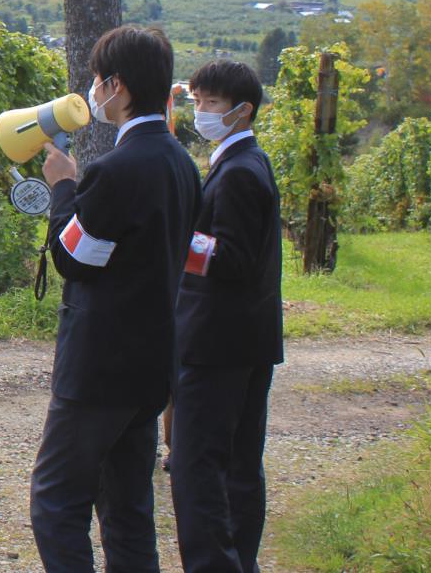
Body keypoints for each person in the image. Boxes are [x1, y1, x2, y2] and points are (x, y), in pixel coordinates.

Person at [29, 26, 202, 572]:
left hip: (98, 369)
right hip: (150, 365)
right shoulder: (182, 163)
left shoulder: (116, 170)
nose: (93, 90)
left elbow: (73, 258)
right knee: (128, 510)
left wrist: (63, 188)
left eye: (98, 80)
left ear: (119, 87)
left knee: (56, 503)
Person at [172, 59, 283, 573]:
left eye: (211, 104)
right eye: (197, 102)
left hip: (218, 343)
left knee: (199, 467)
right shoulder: (245, 162)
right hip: (248, 340)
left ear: (243, 111)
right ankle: (242, 561)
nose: (202, 112)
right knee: (240, 464)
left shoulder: (238, 172)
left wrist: (178, 238)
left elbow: (232, 259)